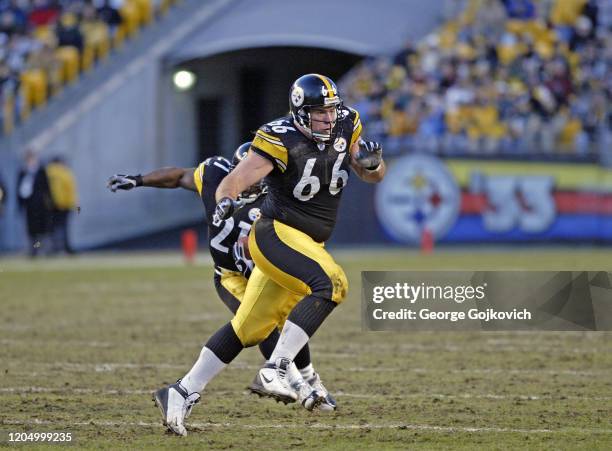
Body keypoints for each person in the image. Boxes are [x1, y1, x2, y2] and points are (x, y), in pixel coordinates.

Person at [153, 74, 385, 436]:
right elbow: (234, 180)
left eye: (330, 110)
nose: (327, 118)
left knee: (247, 328)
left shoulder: (347, 122)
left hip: (308, 239)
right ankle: (276, 368)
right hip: (276, 233)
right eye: (319, 112)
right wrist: (224, 202)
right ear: (299, 111)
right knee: (331, 284)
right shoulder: (278, 137)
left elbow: (371, 175)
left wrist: (372, 165)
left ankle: (180, 391)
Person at [107, 143, 336, 416]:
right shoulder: (214, 174)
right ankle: (302, 388)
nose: (249, 184)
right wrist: (139, 180)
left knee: (290, 319)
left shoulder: (278, 198)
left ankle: (309, 380)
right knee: (258, 325)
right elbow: (178, 176)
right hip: (231, 275)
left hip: (267, 270)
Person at [17, 150, 53, 256]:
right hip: (30, 207)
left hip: (41, 206)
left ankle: (43, 250)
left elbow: (47, 188)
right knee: (31, 230)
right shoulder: (23, 172)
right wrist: (20, 204)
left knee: (42, 230)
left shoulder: (41, 171)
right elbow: (19, 190)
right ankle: (33, 250)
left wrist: (49, 202)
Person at [46, 156, 78, 254]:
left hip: (50, 206)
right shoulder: (65, 173)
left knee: (51, 229)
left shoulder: (47, 173)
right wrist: (73, 204)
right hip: (64, 205)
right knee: (64, 228)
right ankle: (65, 248)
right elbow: (71, 190)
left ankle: (52, 248)